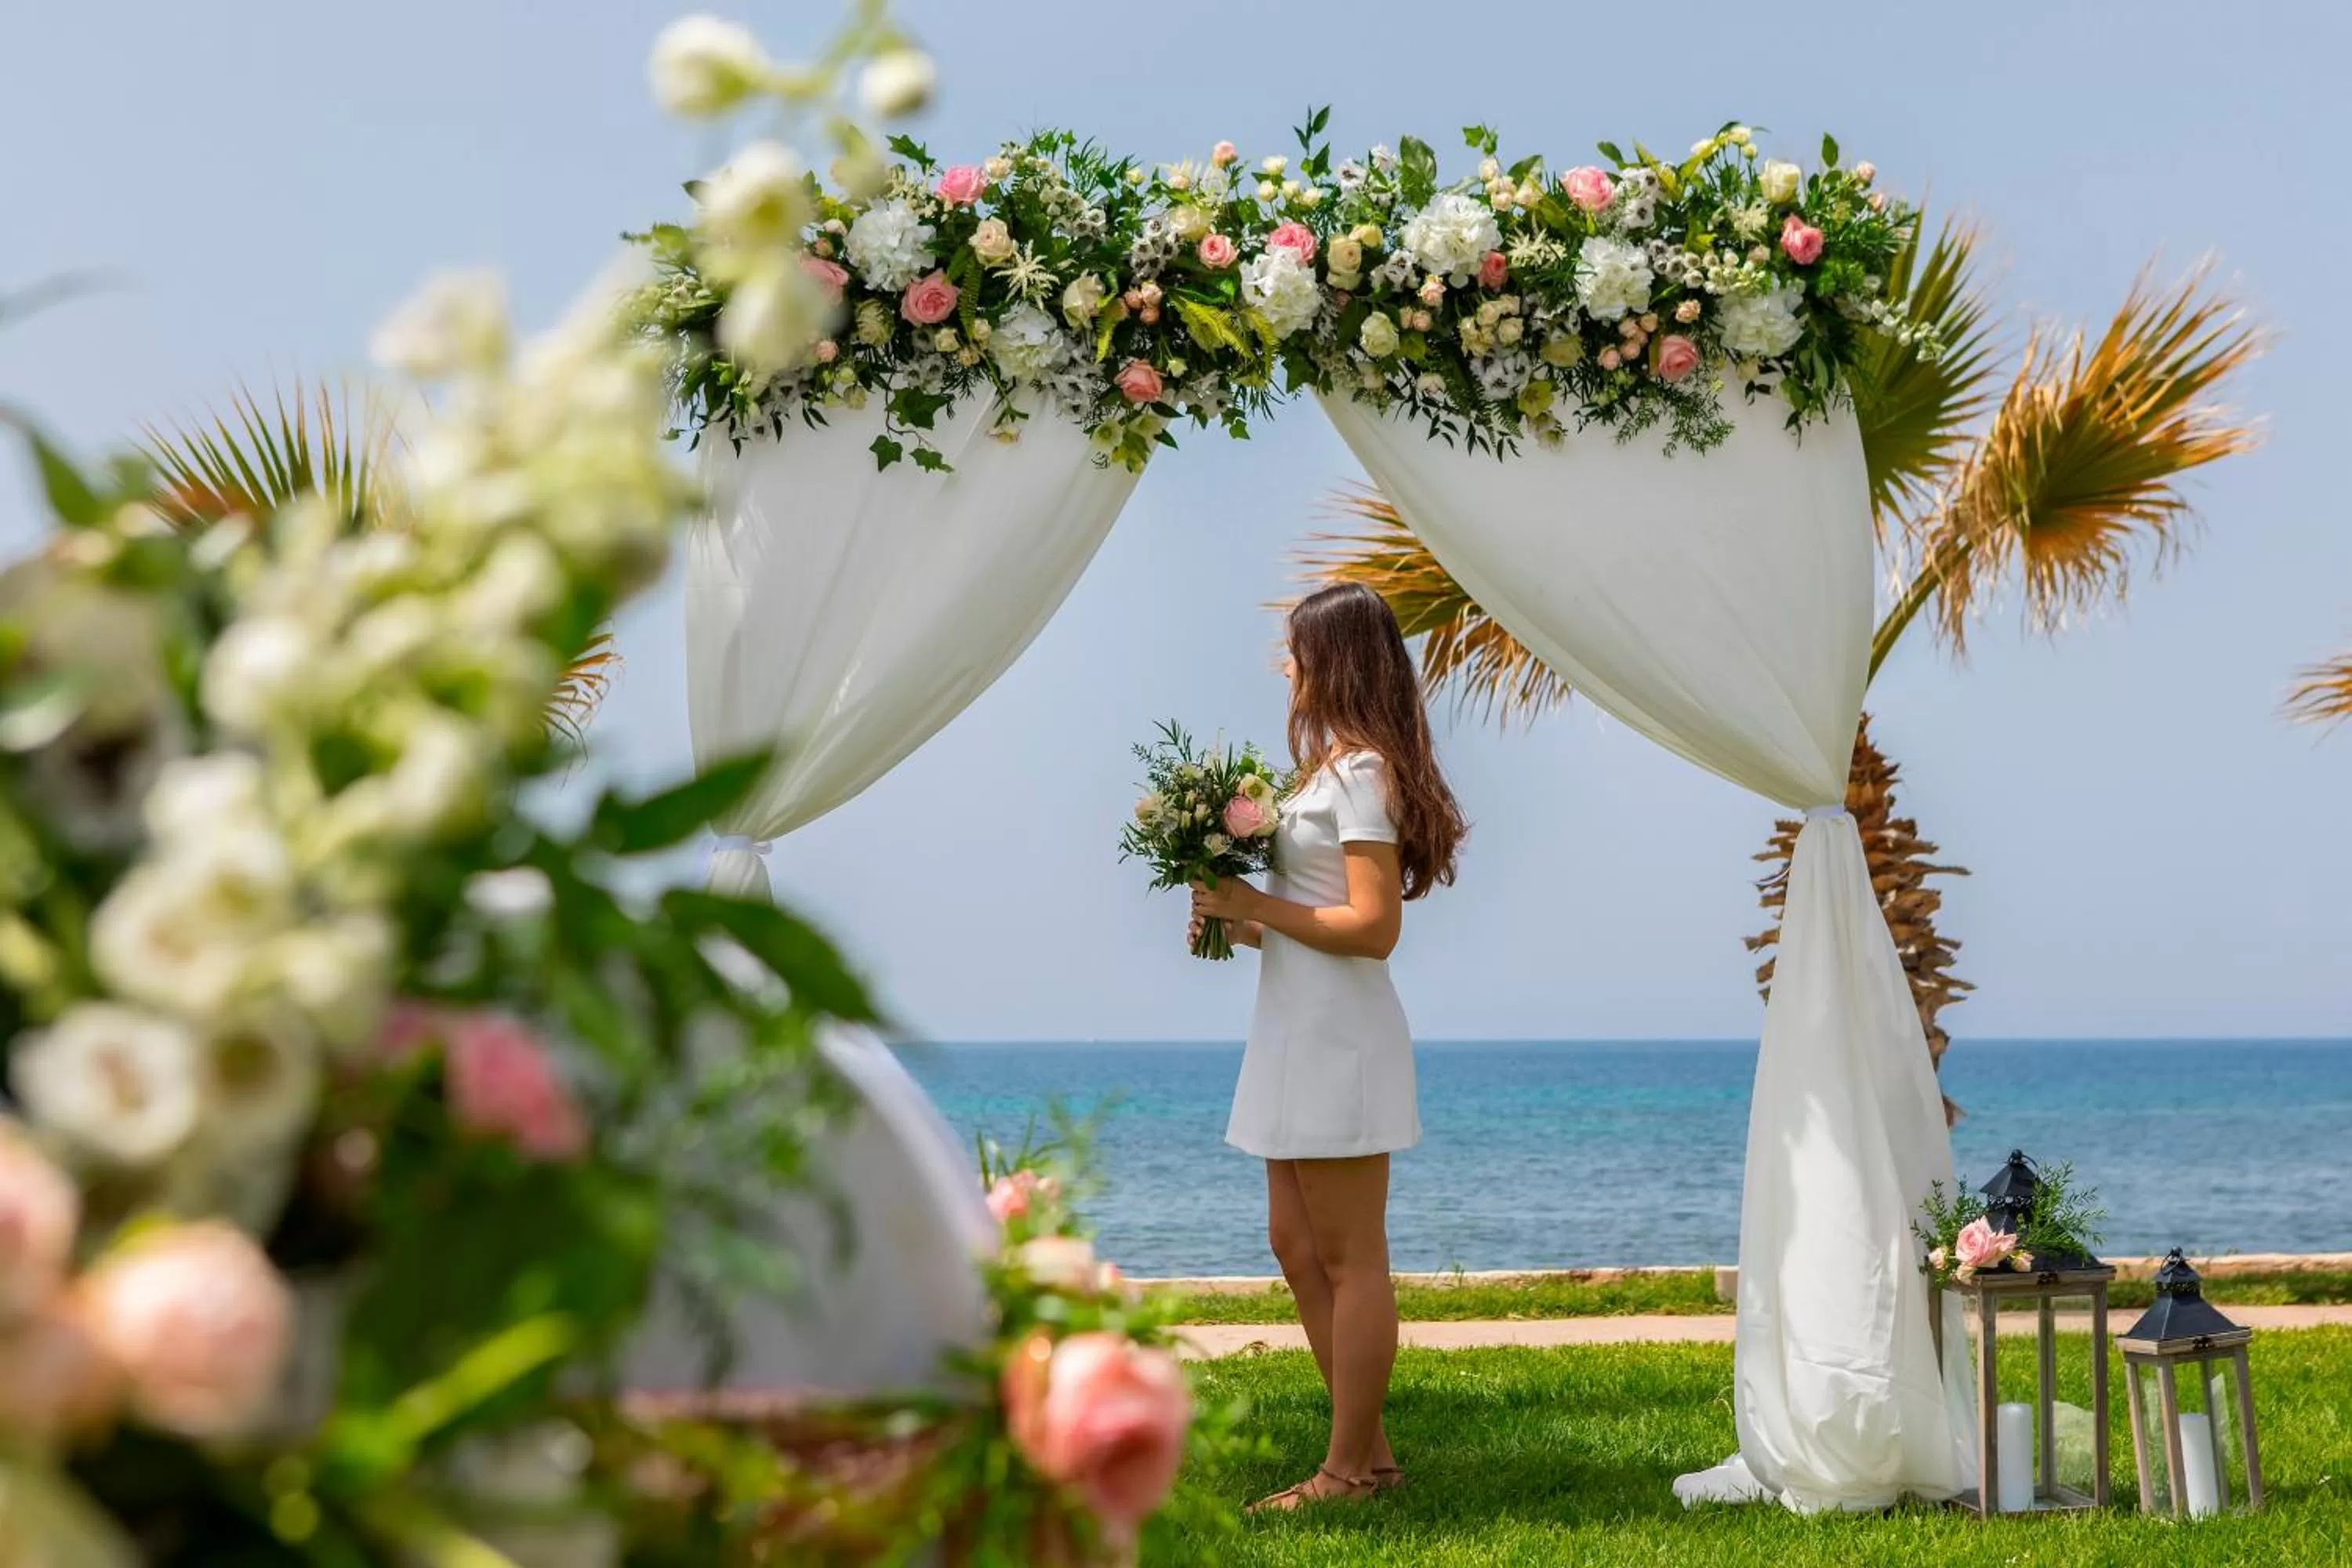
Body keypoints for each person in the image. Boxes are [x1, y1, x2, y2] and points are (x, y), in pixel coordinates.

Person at [1189, 581, 1467, 1511]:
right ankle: (1373, 1455)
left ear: (1334, 659)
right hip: (1294, 1028)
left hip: (1338, 1039)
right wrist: (1240, 926)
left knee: (1351, 1255)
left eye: (1297, 650)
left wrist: (1254, 903)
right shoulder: (1330, 770)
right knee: (1295, 1242)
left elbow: (1375, 924)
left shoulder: (1360, 774)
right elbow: (1319, 919)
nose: (1286, 666)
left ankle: (1346, 1472)